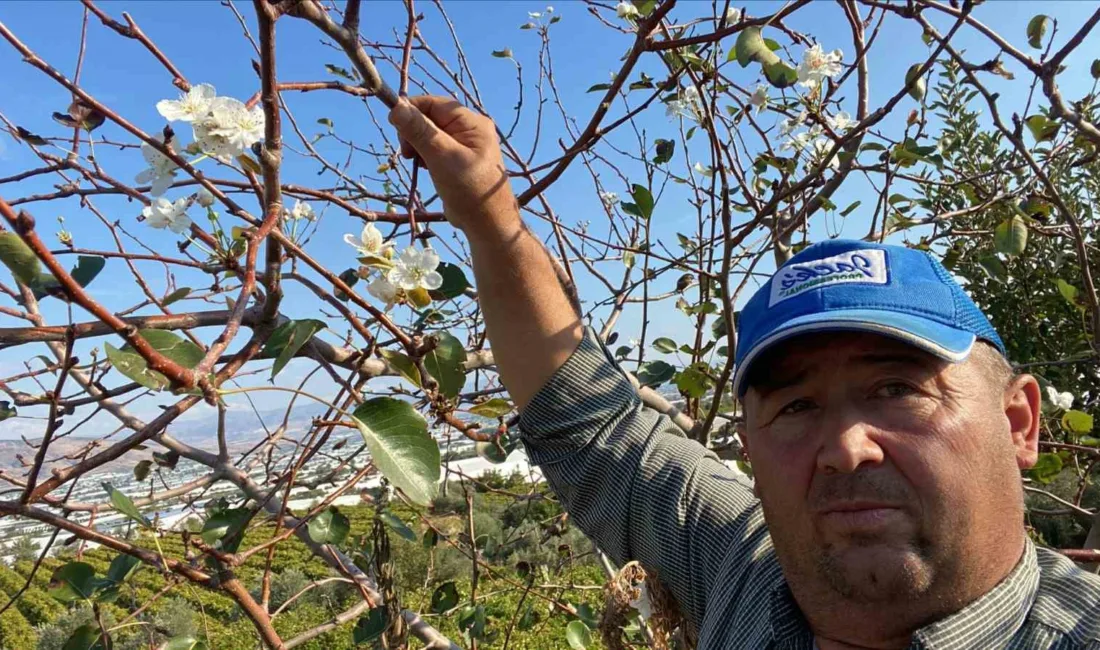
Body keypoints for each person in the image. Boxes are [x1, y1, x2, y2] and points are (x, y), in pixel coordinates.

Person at [388, 95, 1100, 649]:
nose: (846, 446)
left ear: (1019, 422)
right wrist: (485, 211)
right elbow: (592, 422)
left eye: (897, 389)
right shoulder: (744, 571)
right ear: (751, 449)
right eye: (793, 406)